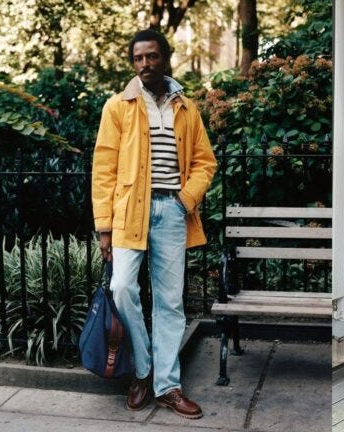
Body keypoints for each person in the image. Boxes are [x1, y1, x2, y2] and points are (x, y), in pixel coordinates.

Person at [91, 29, 216, 419]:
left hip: (171, 212)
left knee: (170, 303)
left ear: (165, 58)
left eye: (151, 57)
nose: (145, 64)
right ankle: (143, 369)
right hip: (130, 212)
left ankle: (167, 385)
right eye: (138, 59)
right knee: (123, 287)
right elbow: (104, 169)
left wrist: (185, 200)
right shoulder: (119, 106)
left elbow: (204, 162)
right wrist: (104, 227)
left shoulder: (186, 108)